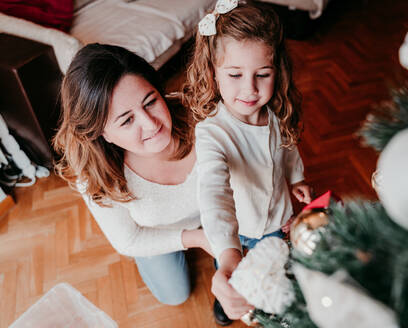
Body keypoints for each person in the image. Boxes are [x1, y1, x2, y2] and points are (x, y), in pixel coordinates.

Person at [53, 43, 213, 307]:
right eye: (127, 120)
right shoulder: (94, 175)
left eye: (150, 102)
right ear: (100, 132)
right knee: (175, 295)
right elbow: (128, 240)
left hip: (217, 210)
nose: (151, 124)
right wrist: (195, 238)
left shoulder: (202, 117)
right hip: (157, 230)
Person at [183, 0, 312, 324]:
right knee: (234, 277)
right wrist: (227, 254)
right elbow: (214, 191)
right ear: (213, 71)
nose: (250, 89)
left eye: (262, 74)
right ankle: (223, 301)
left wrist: (296, 179)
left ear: (277, 70)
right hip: (236, 232)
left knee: (273, 271)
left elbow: (289, 149)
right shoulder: (213, 132)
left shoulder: (278, 112)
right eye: (235, 74)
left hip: (277, 221)